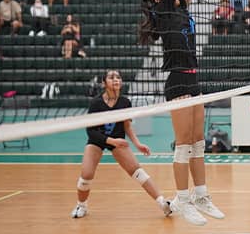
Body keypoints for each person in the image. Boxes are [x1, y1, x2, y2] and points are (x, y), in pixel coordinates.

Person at [138, 0, 224, 226]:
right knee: (184, 142)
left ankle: (201, 195)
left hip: (193, 76)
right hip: (176, 79)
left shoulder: (182, 8)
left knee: (199, 141)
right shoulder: (163, 14)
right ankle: (183, 199)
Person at [71, 70, 175, 220]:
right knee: (86, 175)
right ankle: (82, 206)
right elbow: (91, 131)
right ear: (104, 83)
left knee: (138, 171)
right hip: (98, 140)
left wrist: (138, 144)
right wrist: (112, 141)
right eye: (111, 77)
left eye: (118, 77)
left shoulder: (125, 102)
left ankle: (162, 204)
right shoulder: (96, 103)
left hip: (118, 139)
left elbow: (127, 126)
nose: (116, 80)